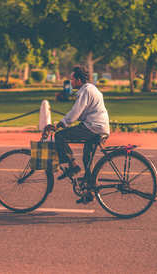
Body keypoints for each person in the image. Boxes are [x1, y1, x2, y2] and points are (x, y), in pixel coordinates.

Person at [44, 65, 110, 203]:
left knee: (60, 136)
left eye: (72, 79)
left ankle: (73, 165)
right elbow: (81, 113)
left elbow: (75, 112)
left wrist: (60, 125)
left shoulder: (85, 91)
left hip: (93, 127)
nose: (71, 82)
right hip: (99, 128)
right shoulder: (90, 89)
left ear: (79, 80)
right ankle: (90, 191)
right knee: (88, 159)